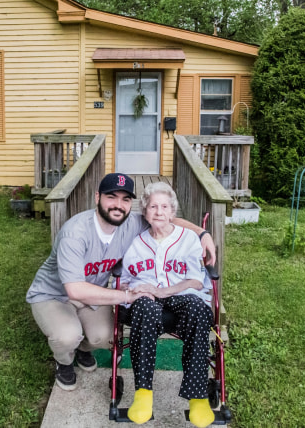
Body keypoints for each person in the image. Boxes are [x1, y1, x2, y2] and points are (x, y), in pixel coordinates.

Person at [26, 173, 216, 391]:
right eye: (111, 197)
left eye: (125, 199)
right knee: (68, 336)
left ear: (131, 204)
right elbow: (75, 289)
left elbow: (167, 219)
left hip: (93, 292)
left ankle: (83, 350)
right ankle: (64, 362)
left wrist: (203, 234)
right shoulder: (75, 233)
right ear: (98, 197)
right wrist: (128, 295)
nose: (118, 204)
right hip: (53, 295)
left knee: (105, 338)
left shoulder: (129, 223)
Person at [119, 181, 215, 427]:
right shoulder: (137, 243)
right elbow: (125, 282)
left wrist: (162, 291)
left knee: (197, 308)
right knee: (144, 306)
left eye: (164, 207)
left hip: (182, 302)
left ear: (173, 212)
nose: (159, 212)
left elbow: (195, 281)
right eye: (153, 206)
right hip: (148, 310)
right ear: (145, 212)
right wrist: (138, 291)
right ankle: (143, 393)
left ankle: (198, 398)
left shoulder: (188, 239)